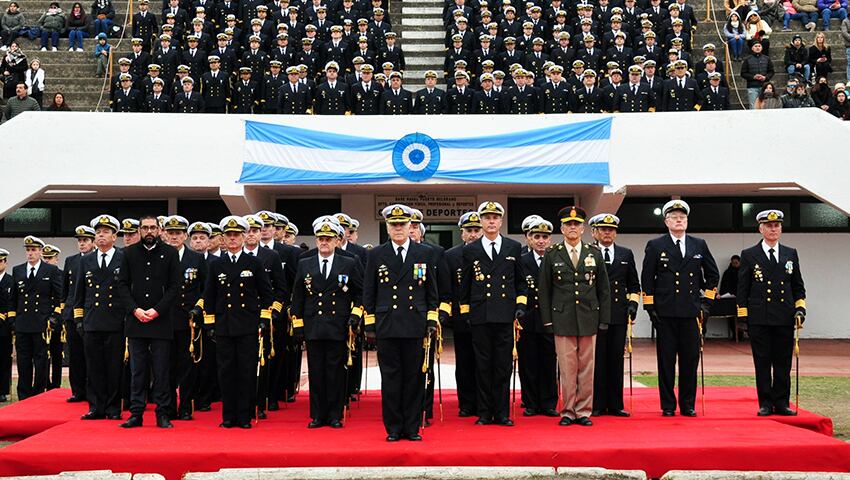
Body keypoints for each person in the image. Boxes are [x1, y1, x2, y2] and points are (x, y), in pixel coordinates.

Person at [363, 204, 438, 441]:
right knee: (392, 379)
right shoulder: (376, 254)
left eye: (402, 224)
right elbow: (369, 292)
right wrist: (370, 324)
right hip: (387, 325)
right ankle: (394, 428)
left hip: (414, 323)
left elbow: (431, 290)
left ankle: (412, 427)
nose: (398, 228)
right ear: (387, 227)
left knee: (414, 378)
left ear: (410, 227)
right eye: (393, 224)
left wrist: (431, 319)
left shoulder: (424, 253)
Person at [641, 200, 719, 417]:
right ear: (666, 221)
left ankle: (687, 404)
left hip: (691, 313)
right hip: (665, 314)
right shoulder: (656, 245)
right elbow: (647, 278)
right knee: (666, 362)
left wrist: (706, 303)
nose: (679, 220)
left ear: (687, 221)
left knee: (689, 361)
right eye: (674, 217)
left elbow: (713, 276)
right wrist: (650, 308)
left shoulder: (699, 245)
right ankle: (667, 405)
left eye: (682, 217)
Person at [537, 207, 610, 427]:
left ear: (583, 228)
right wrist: (547, 320)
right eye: (568, 224)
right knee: (567, 368)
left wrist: (604, 318)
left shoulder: (593, 253)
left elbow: (603, 289)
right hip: (563, 318)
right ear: (562, 228)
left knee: (587, 367)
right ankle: (568, 411)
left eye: (576, 224)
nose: (572, 227)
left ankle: (584, 410)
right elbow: (544, 290)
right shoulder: (552, 253)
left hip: (588, 317)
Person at [290, 219, 364, 428]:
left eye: (328, 239)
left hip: (337, 325)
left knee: (335, 372)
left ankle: (334, 414)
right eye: (321, 239)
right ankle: (317, 415)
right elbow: (298, 296)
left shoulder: (349, 263)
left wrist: (355, 315)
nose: (324, 242)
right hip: (313, 325)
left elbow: (360, 293)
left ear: (336, 241)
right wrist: (297, 325)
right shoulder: (306, 263)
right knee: (316, 371)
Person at [202, 216, 274, 429]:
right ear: (223, 238)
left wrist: (262, 319)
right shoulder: (216, 265)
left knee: (246, 372)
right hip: (224, 326)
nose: (232, 239)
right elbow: (209, 296)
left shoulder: (254, 263)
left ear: (243, 237)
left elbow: (266, 295)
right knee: (225, 372)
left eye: (236, 235)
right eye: (229, 235)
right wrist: (210, 324)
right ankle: (228, 416)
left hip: (247, 326)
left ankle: (244, 415)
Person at [459, 201, 526, 427]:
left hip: (505, 315)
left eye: (494, 218)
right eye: (486, 217)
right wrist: (467, 312)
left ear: (500, 221)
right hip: (480, 316)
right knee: (483, 365)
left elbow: (520, 282)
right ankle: (485, 412)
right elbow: (465, 286)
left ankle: (503, 412)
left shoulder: (513, 247)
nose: (490, 221)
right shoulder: (470, 250)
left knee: (503, 365)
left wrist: (520, 306)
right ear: (481, 221)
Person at [737, 210, 806, 416]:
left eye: (777, 226)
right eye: (769, 226)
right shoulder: (749, 254)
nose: (773, 229)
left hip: (784, 316)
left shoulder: (790, 253)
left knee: (783, 361)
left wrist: (800, 307)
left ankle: (782, 403)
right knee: (763, 361)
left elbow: (797, 285)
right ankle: (765, 403)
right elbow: (743, 288)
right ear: (761, 229)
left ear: (781, 229)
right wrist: (743, 316)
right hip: (760, 317)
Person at [117, 215, 182, 429]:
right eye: (145, 228)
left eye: (153, 227)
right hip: (136, 321)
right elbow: (122, 285)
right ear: (139, 231)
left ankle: (163, 413)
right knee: (138, 370)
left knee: (162, 370)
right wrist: (135, 310)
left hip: (160, 321)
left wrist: (156, 310)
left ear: (159, 229)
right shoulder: (128, 253)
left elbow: (175, 287)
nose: (149, 232)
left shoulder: (170, 253)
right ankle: (136, 413)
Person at [73, 215, 125, 420]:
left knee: (114, 367)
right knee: (93, 367)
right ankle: (96, 406)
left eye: (105, 232)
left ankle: (113, 407)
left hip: (116, 321)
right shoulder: (85, 260)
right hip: (92, 321)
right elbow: (79, 292)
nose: (100, 236)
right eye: (98, 232)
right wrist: (78, 319)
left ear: (115, 236)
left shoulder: (124, 258)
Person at [588, 213, 640, 418]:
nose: (607, 233)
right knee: (597, 360)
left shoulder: (626, 254)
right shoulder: (588, 252)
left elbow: (634, 284)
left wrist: (633, 304)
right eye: (603, 229)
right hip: (595, 314)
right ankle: (597, 403)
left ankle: (616, 403)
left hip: (618, 314)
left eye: (611, 230)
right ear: (595, 232)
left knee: (616, 360)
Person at [162, 215, 208, 421]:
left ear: (185, 236)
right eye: (170, 233)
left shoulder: (197, 259)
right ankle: (169, 405)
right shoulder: (159, 257)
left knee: (188, 366)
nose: (174, 237)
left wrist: (198, 308)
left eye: (178, 233)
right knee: (166, 366)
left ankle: (187, 407)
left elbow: (206, 289)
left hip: (189, 320)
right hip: (164, 319)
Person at [8, 236, 63, 400]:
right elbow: (14, 299)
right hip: (23, 322)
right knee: (23, 361)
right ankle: (24, 395)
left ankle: (39, 394)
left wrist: (55, 316)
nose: (30, 253)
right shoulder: (17, 270)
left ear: (40, 251)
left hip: (41, 323)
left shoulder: (51, 271)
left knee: (41, 360)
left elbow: (58, 297)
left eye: (34, 250)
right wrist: (12, 319)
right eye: (28, 250)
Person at [517, 218, 558, 418]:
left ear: (549, 240)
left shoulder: (556, 259)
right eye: (536, 237)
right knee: (528, 363)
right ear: (528, 239)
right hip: (528, 319)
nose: (541, 241)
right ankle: (531, 403)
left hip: (550, 320)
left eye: (545, 237)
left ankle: (549, 403)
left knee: (549, 363)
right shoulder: (521, 260)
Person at [445, 212, 482, 417]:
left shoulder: (488, 253)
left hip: (485, 317)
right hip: (462, 318)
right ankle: (466, 403)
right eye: (469, 231)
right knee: (465, 362)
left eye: (477, 230)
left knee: (484, 362)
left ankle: (484, 401)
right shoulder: (451, 256)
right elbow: (449, 288)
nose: (474, 235)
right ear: (462, 233)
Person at [61, 225, 94, 403]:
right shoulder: (70, 260)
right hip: (71, 313)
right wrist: (65, 310)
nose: (82, 244)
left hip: (89, 313)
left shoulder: (94, 259)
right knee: (75, 355)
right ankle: (77, 390)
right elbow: (66, 289)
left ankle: (91, 389)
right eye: (80, 241)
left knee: (90, 354)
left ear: (93, 242)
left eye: (85, 241)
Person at [741, 40, 775, 108]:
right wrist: (753, 77)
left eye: (759, 46)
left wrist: (765, 77)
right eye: (755, 46)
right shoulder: (747, 59)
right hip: (752, 86)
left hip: (765, 87)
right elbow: (743, 73)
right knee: (753, 106)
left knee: (766, 106)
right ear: (752, 48)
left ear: (761, 48)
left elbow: (771, 71)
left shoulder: (767, 58)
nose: (757, 48)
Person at [0, 249, 11, 403]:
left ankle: (2, 390)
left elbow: (11, 302)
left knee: (3, 358)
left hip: (3, 325)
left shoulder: (10, 280)